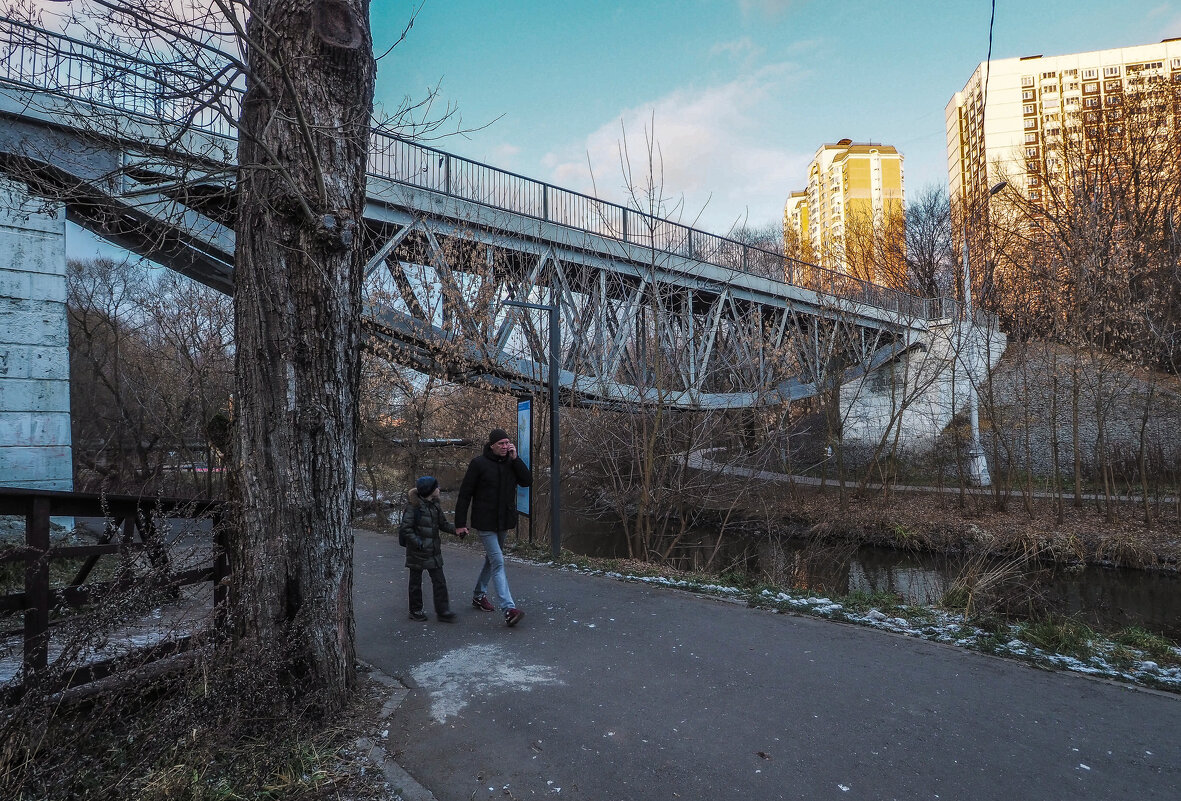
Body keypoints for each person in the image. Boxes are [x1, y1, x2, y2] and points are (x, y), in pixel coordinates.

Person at [455, 428, 532, 626]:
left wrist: (516, 459)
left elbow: (527, 481)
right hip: (485, 522)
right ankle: (509, 609)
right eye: (501, 444)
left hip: (503, 521)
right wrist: (460, 523)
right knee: (498, 562)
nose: (505, 447)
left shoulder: (510, 463)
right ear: (492, 446)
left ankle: (478, 595)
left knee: (491, 560)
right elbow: (465, 494)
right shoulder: (478, 464)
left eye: (508, 443)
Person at [401, 475, 459, 622]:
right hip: (417, 551)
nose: (439, 489)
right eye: (436, 487)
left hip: (433, 551)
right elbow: (406, 529)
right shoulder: (413, 507)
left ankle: (443, 611)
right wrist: (418, 543)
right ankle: (415, 610)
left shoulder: (435, 505)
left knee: (439, 581)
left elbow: (443, 524)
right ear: (430, 490)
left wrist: (457, 530)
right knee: (415, 582)